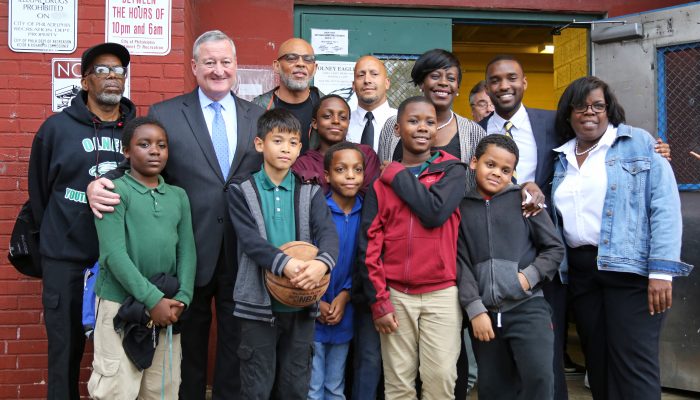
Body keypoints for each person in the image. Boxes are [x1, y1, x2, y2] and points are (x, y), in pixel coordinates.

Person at [86, 30, 264, 399]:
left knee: (235, 345)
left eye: (226, 62)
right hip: (188, 252)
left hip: (242, 250)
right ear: (195, 66)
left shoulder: (257, 116)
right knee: (186, 348)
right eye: (210, 62)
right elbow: (143, 161)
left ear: (236, 67)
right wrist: (100, 184)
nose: (218, 70)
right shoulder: (166, 113)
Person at [551, 76, 693, 400]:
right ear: (569, 112)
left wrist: (661, 272)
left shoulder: (640, 143)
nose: (590, 112)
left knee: (634, 365)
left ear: (609, 109)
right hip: (581, 272)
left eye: (598, 106)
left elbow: (665, 208)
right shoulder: (561, 156)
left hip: (631, 270)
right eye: (581, 106)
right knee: (598, 365)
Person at [27, 42, 135, 399]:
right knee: (65, 350)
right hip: (66, 257)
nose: (112, 77)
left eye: (118, 70)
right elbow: (40, 192)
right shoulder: (56, 129)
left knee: (123, 348)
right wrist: (58, 235)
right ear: (85, 81)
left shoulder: (139, 130)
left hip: (121, 259)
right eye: (102, 70)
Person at [357, 96, 466, 400]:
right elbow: (369, 245)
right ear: (397, 128)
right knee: (398, 383)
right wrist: (379, 300)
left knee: (441, 378)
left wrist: (397, 173)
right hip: (396, 294)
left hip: (442, 292)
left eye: (430, 122)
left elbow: (434, 213)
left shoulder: (452, 171)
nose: (422, 128)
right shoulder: (380, 185)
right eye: (414, 121)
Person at [227, 108, 338, 399]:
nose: (286, 148)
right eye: (278, 141)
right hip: (257, 307)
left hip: (300, 305)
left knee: (294, 387)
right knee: (256, 387)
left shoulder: (310, 193)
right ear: (260, 144)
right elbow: (250, 240)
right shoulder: (242, 190)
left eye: (292, 142)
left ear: (300, 148)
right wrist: (285, 264)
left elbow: (328, 235)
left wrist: (321, 265)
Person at [88, 117, 196, 399]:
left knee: (162, 388)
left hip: (168, 308)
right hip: (119, 303)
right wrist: (152, 300)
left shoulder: (178, 196)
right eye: (144, 144)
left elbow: (187, 250)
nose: (155, 151)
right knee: (117, 387)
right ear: (126, 151)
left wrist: (182, 297)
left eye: (162, 145)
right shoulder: (115, 191)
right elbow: (113, 254)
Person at [457, 134, 565, 400]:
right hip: (486, 317)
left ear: (513, 172)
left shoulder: (525, 201)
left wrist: (527, 279)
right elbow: (460, 264)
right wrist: (475, 310)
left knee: (539, 380)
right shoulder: (460, 209)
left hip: (528, 308)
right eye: (490, 165)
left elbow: (554, 249)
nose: (496, 173)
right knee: (494, 389)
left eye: (506, 170)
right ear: (474, 162)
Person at [308, 142, 365, 400]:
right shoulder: (316, 209)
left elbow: (365, 260)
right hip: (313, 308)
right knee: (313, 385)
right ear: (328, 175)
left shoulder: (367, 211)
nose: (350, 175)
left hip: (346, 308)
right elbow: (304, 255)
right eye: (342, 169)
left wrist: (346, 294)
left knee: (335, 384)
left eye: (357, 169)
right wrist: (316, 300)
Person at [292, 94, 380, 194]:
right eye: (327, 116)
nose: (336, 121)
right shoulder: (303, 164)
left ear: (348, 123)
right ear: (315, 123)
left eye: (343, 117)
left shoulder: (366, 154)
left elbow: (372, 196)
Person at [253, 38, 322, 154]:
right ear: (276, 66)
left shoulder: (326, 106)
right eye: (291, 58)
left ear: (314, 68)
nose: (301, 64)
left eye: (308, 60)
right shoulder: (258, 107)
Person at [347, 55, 396, 152]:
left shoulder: (401, 121)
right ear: (353, 85)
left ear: (387, 83)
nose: (367, 80)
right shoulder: (343, 124)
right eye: (361, 75)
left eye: (374, 74)